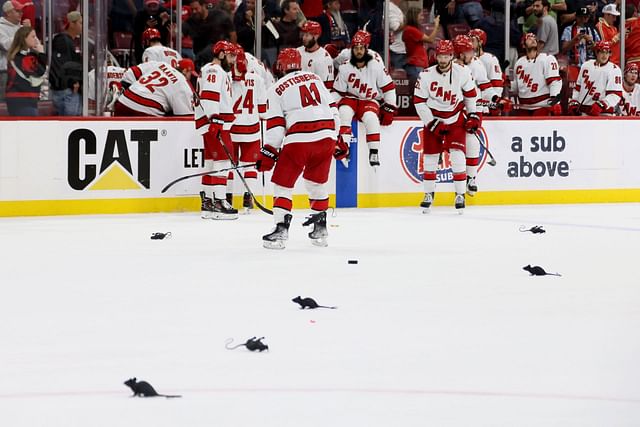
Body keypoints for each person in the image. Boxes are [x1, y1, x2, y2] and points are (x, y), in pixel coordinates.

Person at [257, 48, 343, 249]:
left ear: (280, 66)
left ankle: (280, 230)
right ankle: (320, 229)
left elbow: (277, 128)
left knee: (283, 184)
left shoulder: (276, 88)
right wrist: (336, 138)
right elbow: (334, 111)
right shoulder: (315, 78)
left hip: (300, 138)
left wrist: (268, 151)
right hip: (327, 136)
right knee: (316, 183)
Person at [413, 39, 480, 213]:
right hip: (434, 119)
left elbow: (471, 95)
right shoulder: (426, 75)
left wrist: (473, 115)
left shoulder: (463, 72)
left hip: (455, 119)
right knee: (430, 158)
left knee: (457, 156)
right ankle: (428, 194)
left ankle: (459, 194)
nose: (442, 60)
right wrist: (432, 123)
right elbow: (419, 102)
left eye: (446, 56)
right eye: (440, 56)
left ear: (451, 56)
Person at [333, 30, 397, 167]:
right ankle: (344, 148)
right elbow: (338, 92)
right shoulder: (345, 66)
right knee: (343, 113)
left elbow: (388, 88)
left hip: (370, 99)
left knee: (371, 118)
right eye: (356, 48)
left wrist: (390, 107)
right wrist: (331, 107)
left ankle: (374, 151)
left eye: (361, 48)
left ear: (366, 48)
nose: (358, 51)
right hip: (350, 98)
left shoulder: (376, 64)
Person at [453, 35, 503, 197]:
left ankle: (471, 177)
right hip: (456, 110)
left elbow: (485, 87)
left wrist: (496, 99)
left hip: (475, 108)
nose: (471, 53)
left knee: (472, 140)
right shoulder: (450, 67)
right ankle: (458, 179)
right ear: (460, 53)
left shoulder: (477, 64)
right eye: (468, 51)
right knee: (456, 146)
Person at [194, 40, 238, 220]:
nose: (234, 60)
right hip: (216, 122)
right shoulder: (214, 70)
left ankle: (208, 203)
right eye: (231, 56)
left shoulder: (213, 70)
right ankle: (219, 201)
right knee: (222, 163)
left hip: (212, 122)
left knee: (211, 163)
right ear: (221, 54)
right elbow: (210, 96)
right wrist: (216, 120)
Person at [226, 46, 267, 212]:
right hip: (252, 130)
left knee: (229, 164)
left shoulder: (227, 77)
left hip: (232, 128)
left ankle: (227, 197)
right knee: (250, 166)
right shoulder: (257, 79)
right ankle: (248, 199)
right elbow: (263, 110)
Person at [113, 59, 195, 117]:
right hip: (146, 113)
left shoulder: (160, 64)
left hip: (123, 103)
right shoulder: (183, 84)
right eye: (191, 73)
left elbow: (131, 72)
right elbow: (185, 120)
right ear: (185, 71)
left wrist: (124, 86)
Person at [512, 33, 563, 116]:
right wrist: (506, 83)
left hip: (542, 105)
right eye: (529, 38)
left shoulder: (547, 58)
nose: (533, 39)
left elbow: (554, 82)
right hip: (523, 106)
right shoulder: (519, 63)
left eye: (534, 38)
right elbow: (516, 87)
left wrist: (555, 101)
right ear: (523, 45)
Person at [568, 40, 622, 115]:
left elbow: (616, 94)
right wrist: (574, 101)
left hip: (603, 112)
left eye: (607, 52)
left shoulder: (614, 69)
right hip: (583, 111)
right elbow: (578, 88)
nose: (605, 55)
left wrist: (602, 104)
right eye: (602, 52)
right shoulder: (586, 65)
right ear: (596, 52)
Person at [5, 25, 45, 116]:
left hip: (20, 97)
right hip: (23, 98)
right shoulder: (23, 57)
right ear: (24, 38)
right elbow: (41, 71)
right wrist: (41, 53)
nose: (36, 40)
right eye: (33, 36)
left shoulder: (17, 56)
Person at [49, 11, 83, 116]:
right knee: (70, 123)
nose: (82, 26)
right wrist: (73, 83)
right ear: (72, 24)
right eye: (80, 23)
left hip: (67, 89)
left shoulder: (68, 41)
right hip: (67, 90)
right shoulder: (62, 41)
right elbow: (62, 64)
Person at [1, 0, 28, 102]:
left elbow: (33, 46)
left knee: (18, 104)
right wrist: (21, 33)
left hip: (22, 72)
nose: (21, 13)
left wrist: (28, 31)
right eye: (17, 11)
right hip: (4, 72)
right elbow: (7, 45)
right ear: (8, 13)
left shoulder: (21, 28)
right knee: (3, 104)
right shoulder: (0, 27)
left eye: (21, 11)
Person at [402, 8, 440, 80]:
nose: (422, 18)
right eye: (420, 15)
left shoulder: (412, 29)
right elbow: (430, 39)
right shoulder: (410, 30)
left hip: (418, 65)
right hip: (415, 66)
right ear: (414, 16)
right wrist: (436, 26)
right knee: (417, 90)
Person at [297, 20, 334, 91]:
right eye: (303, 34)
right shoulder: (297, 51)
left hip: (315, 94)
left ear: (316, 36)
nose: (304, 38)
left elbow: (326, 87)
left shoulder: (324, 58)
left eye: (307, 35)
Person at [133, 0, 172, 64]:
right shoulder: (140, 14)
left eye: (154, 6)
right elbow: (136, 33)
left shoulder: (163, 11)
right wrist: (146, 26)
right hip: (143, 47)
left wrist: (167, 19)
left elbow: (175, 17)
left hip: (161, 45)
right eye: (150, 6)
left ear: (158, 4)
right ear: (145, 5)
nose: (152, 9)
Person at [468, 28, 504, 97]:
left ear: (480, 42)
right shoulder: (466, 59)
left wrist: (494, 102)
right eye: (468, 41)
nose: (470, 43)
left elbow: (497, 84)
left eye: (472, 40)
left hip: (485, 102)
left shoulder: (490, 59)